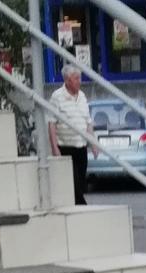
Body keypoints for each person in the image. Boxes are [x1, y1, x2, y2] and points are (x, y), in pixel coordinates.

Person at [48, 63, 96, 206]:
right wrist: (54, 147)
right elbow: (51, 123)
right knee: (73, 183)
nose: (79, 81)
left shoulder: (82, 96)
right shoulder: (57, 96)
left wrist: (93, 144)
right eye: (76, 78)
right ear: (68, 80)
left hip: (81, 146)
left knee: (80, 183)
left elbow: (88, 122)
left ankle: (76, 208)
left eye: (79, 78)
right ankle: (83, 208)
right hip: (66, 147)